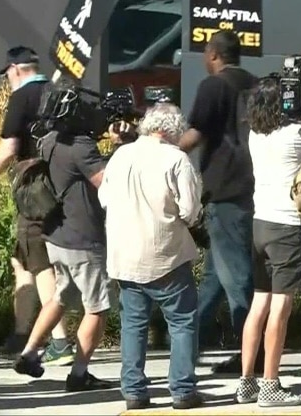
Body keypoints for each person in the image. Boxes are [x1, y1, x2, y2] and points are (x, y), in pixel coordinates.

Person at [0, 47, 72, 364]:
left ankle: (60, 340)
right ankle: (23, 332)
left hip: (35, 191)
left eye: (6, 74)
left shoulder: (22, 97)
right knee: (21, 261)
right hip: (61, 185)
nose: (6, 80)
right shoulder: (57, 92)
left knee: (40, 264)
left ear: (14, 69)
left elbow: (9, 148)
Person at [102, 104, 205, 410]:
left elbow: (104, 199)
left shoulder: (120, 156)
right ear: (172, 130)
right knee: (183, 321)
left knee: (133, 323)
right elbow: (190, 210)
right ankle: (183, 390)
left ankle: (133, 391)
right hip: (165, 255)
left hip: (125, 256)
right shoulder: (176, 159)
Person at [177, 31, 258, 373]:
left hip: (225, 192)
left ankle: (252, 357)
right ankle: (188, 347)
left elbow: (197, 133)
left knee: (237, 277)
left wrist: (161, 152)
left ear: (213, 55)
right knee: (214, 278)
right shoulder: (254, 84)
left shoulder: (214, 86)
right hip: (251, 188)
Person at [12, 127, 114, 392]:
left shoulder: (50, 140)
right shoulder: (81, 145)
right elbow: (108, 182)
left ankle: (29, 353)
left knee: (61, 296)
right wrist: (122, 148)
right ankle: (79, 374)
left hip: (58, 235)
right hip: (84, 238)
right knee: (97, 307)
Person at [234, 77, 301, 407]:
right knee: (281, 305)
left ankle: (247, 381)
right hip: (288, 225)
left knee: (259, 303)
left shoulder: (254, 134)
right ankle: (270, 384)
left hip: (261, 222)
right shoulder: (296, 135)